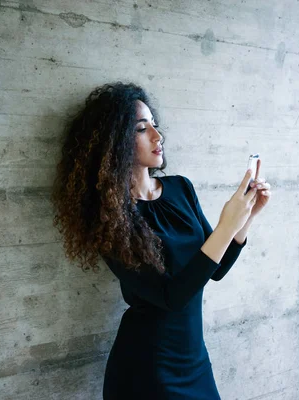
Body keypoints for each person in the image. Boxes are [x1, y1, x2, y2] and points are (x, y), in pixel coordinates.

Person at [50, 82, 271, 399]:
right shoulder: (110, 215)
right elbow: (171, 296)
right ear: (115, 143)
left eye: (155, 125)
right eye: (143, 129)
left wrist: (247, 216)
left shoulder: (181, 188)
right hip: (148, 369)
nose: (158, 136)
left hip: (193, 358)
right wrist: (227, 223)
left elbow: (214, 268)